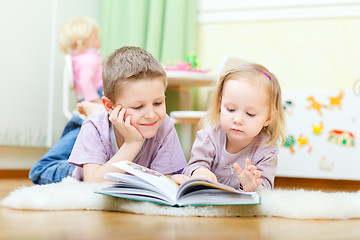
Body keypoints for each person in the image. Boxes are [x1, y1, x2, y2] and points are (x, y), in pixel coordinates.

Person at [29, 46, 187, 184]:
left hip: (109, 147)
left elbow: (160, 180)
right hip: (82, 166)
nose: (152, 115)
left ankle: (95, 113)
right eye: (138, 106)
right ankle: (84, 118)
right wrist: (132, 143)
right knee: (40, 170)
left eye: (158, 103)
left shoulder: (164, 125)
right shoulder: (95, 127)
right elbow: (94, 182)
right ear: (110, 106)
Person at [173, 64, 285, 192]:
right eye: (231, 109)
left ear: (268, 118)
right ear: (220, 104)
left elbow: (266, 189)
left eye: (250, 114)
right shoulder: (209, 138)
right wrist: (200, 171)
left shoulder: (266, 150)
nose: (237, 120)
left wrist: (251, 186)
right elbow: (192, 167)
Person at [59, 16, 104, 107]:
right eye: (96, 37)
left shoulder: (80, 57)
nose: (99, 40)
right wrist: (95, 101)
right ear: (85, 42)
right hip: (95, 96)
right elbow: (86, 81)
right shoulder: (88, 59)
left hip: (86, 97)